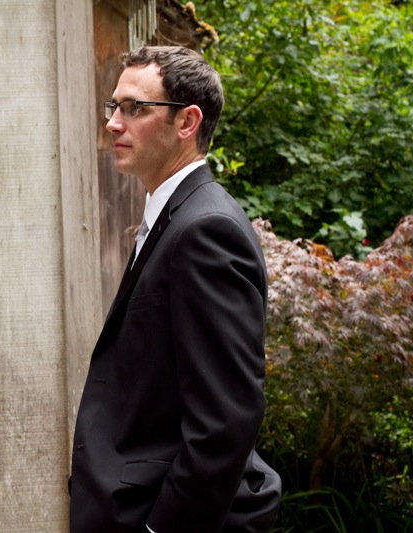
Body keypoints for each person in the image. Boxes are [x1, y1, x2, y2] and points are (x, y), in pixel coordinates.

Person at [69, 46, 281, 532]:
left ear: (187, 122)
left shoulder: (205, 230)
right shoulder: (175, 216)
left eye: (135, 108)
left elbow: (225, 421)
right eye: (114, 106)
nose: (114, 124)